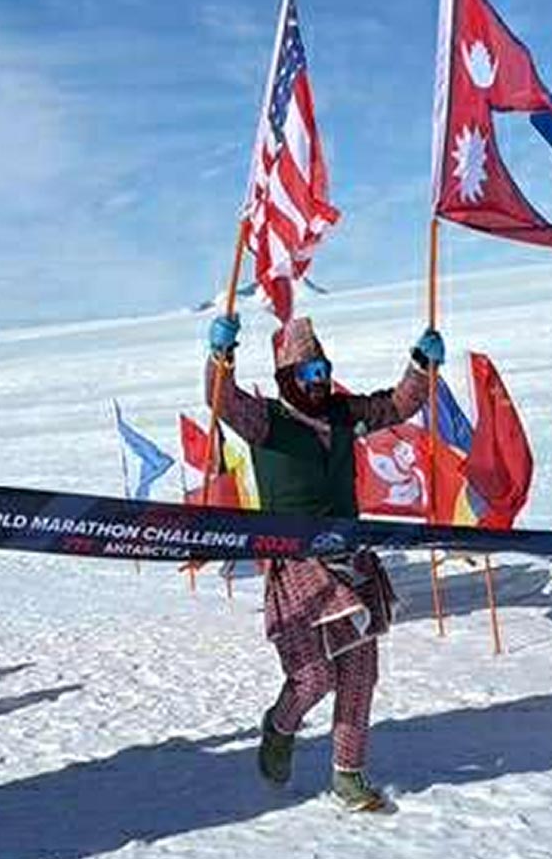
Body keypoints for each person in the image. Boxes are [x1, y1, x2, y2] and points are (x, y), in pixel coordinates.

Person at [205, 312, 440, 812]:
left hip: (350, 556)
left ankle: (348, 776)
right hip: (295, 564)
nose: (319, 381)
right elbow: (222, 401)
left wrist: (421, 365)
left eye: (324, 370)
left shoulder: (343, 413)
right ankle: (280, 725)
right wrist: (221, 357)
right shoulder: (267, 420)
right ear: (288, 378)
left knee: (359, 672)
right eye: (309, 373)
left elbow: (398, 404)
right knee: (313, 677)